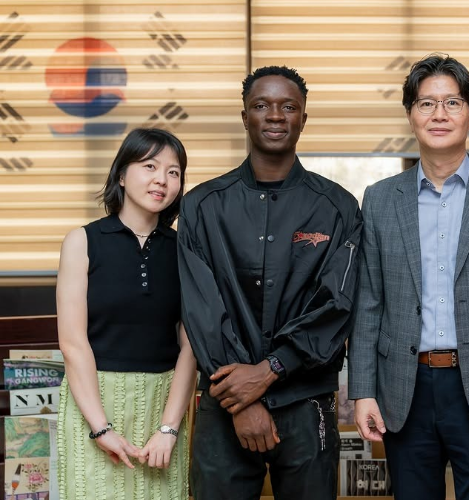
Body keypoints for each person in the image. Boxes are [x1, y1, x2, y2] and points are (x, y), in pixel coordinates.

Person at [348, 53, 469, 500]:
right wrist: (363, 391)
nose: (439, 114)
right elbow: (369, 302)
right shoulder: (380, 199)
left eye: (453, 103)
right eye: (426, 103)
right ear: (411, 115)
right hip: (404, 386)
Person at [178, 66, 362, 500]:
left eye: (288, 106)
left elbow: (338, 306)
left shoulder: (338, 208)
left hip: (306, 400)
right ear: (245, 117)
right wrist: (241, 398)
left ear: (303, 118)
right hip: (224, 402)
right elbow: (202, 310)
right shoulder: (201, 206)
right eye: (261, 105)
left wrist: (269, 370)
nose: (275, 115)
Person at [56, 127, 196, 499]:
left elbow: (191, 346)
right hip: (92, 404)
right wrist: (101, 428)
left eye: (173, 172)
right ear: (121, 174)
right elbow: (73, 343)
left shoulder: (186, 250)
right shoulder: (82, 241)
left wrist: (169, 429)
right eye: (150, 166)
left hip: (163, 407)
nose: (162, 179)